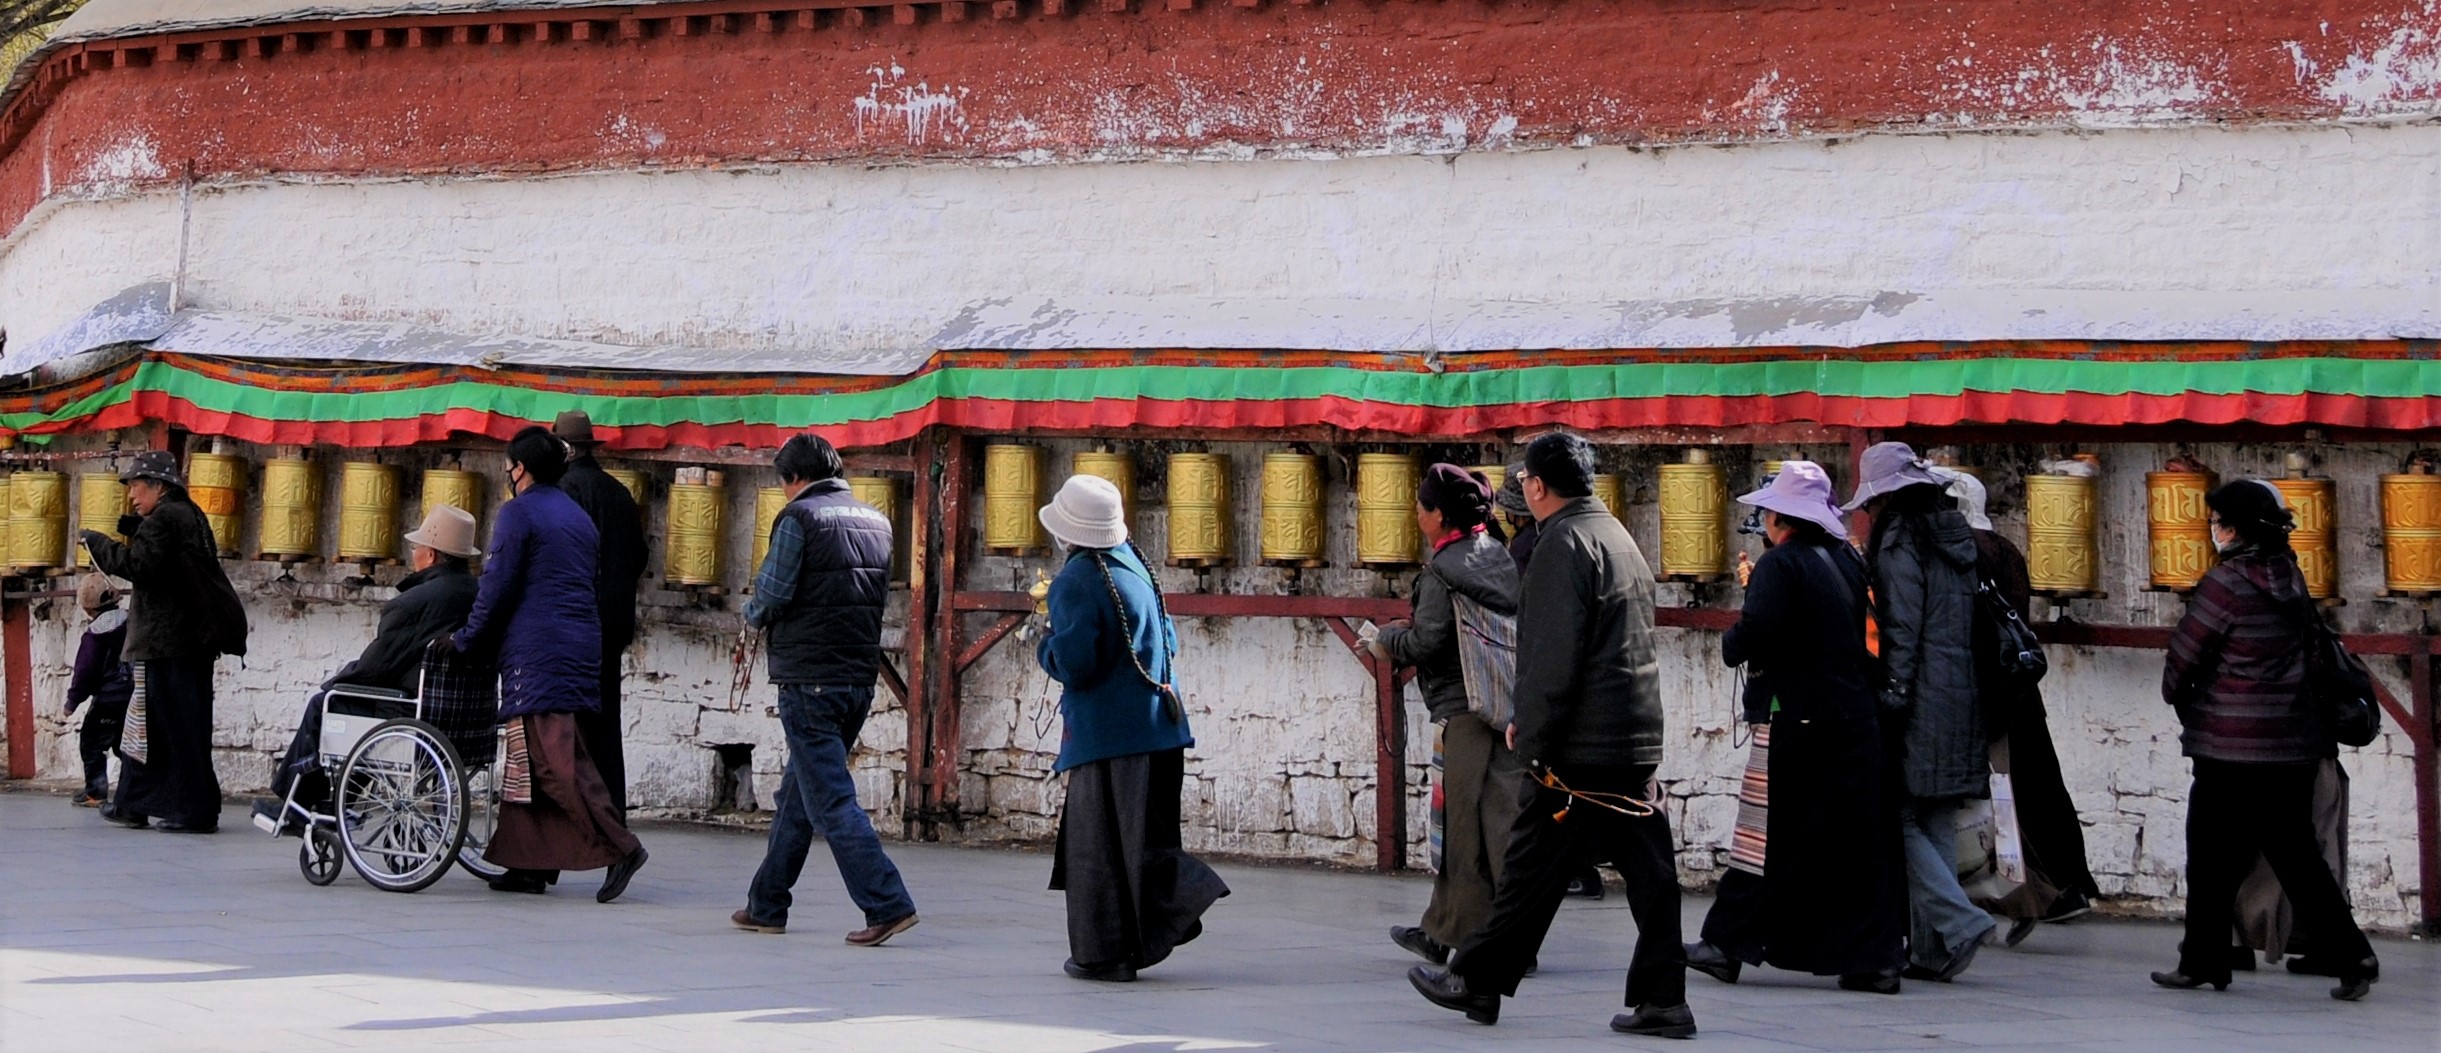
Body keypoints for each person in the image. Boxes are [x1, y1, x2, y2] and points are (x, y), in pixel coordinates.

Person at [1408, 433, 1694, 1039]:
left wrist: (1531, 736)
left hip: (1581, 745)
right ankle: (1662, 998)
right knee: (1648, 874)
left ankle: (1477, 979)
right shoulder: (1615, 535)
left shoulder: (1562, 544)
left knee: (1529, 867)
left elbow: (1549, 656)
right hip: (1633, 728)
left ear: (1537, 486)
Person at [1686, 461, 1908, 994]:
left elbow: (1758, 631)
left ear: (1778, 516)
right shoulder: (1847, 560)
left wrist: (1730, 645)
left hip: (1798, 720)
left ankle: (1724, 945)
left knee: (1765, 837)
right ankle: (1873, 960)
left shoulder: (1779, 566)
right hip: (1856, 717)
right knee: (1856, 844)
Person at [2153, 479, 2378, 1001]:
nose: (2213, 530)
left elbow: (2182, 659)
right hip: (2290, 743)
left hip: (2228, 748)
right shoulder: (2292, 579)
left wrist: (2183, 698)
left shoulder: (2224, 584)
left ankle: (2203, 960)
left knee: (2209, 858)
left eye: (2217, 522)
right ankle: (2352, 955)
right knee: (2298, 857)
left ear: (2231, 528)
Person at [1035, 473, 1228, 982]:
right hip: (1159, 729)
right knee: (1138, 842)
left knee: (1097, 847)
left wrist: (1044, 642)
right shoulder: (1136, 564)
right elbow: (1168, 640)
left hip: (1109, 737)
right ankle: (1136, 938)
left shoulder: (1076, 579)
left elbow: (1075, 663)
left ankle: (1112, 950)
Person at [732, 433, 921, 947]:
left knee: (831, 799)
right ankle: (767, 903)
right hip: (856, 677)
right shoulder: (876, 520)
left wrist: (750, 618)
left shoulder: (799, 518)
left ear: (793, 479)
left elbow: (772, 592)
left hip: (808, 675)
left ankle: (886, 903)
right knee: (800, 793)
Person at [451, 426, 647, 902]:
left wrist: (466, 638)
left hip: (539, 651)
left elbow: (497, 584)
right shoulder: (577, 516)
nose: (509, 474)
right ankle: (528, 863)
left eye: (510, 466)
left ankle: (622, 847)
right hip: (578, 643)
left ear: (522, 469)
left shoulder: (519, 514)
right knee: (528, 760)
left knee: (555, 759)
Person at [1844, 442, 1995, 982]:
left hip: (1921, 694)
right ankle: (1933, 951)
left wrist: (1893, 694)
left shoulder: (1901, 541)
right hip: (1960, 692)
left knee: (1897, 815)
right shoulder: (1952, 535)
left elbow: (1902, 629)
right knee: (1931, 814)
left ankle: (1960, 921)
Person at [1372, 465, 1522, 967]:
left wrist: (1385, 639)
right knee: (1492, 823)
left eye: (1422, 507)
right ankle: (1443, 932)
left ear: (1440, 515)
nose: (1416, 514)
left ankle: (1500, 939)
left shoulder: (1441, 571)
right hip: (1505, 708)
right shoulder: (1496, 555)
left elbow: (1427, 641)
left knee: (1464, 831)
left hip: (1465, 713)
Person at [251, 506, 483, 831]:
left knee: (327, 702)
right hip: (467, 720)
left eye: (417, 547)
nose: (413, 553)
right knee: (352, 702)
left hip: (414, 716)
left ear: (431, 555)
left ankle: (299, 805)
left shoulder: (414, 602)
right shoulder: (480, 596)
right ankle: (338, 804)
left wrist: (336, 681)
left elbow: (375, 669)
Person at [1945, 471, 2099, 947]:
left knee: (1998, 803)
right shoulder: (2003, 547)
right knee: (2035, 793)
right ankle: (2063, 886)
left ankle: (2027, 895)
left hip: (1984, 691)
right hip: (2017, 689)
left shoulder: (1965, 550)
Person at [80, 450, 248, 833]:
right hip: (182, 642)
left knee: (177, 729)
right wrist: (136, 529)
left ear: (158, 486)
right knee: (149, 727)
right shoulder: (187, 514)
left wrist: (101, 546)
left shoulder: (167, 518)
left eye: (137, 487)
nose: (133, 496)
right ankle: (132, 803)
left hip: (171, 643)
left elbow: (141, 567)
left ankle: (194, 812)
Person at [553, 410, 648, 816]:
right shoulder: (618, 492)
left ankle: (555, 841)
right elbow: (639, 556)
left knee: (557, 732)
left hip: (573, 626)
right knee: (605, 728)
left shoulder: (562, 492)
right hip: (612, 625)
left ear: (564, 450)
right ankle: (614, 822)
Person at [64, 573, 132, 808]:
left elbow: (85, 671)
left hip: (108, 699)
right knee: (128, 747)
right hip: (135, 696)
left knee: (92, 743)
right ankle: (133, 794)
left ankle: (96, 792)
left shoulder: (95, 634)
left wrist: (73, 701)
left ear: (87, 608)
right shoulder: (131, 620)